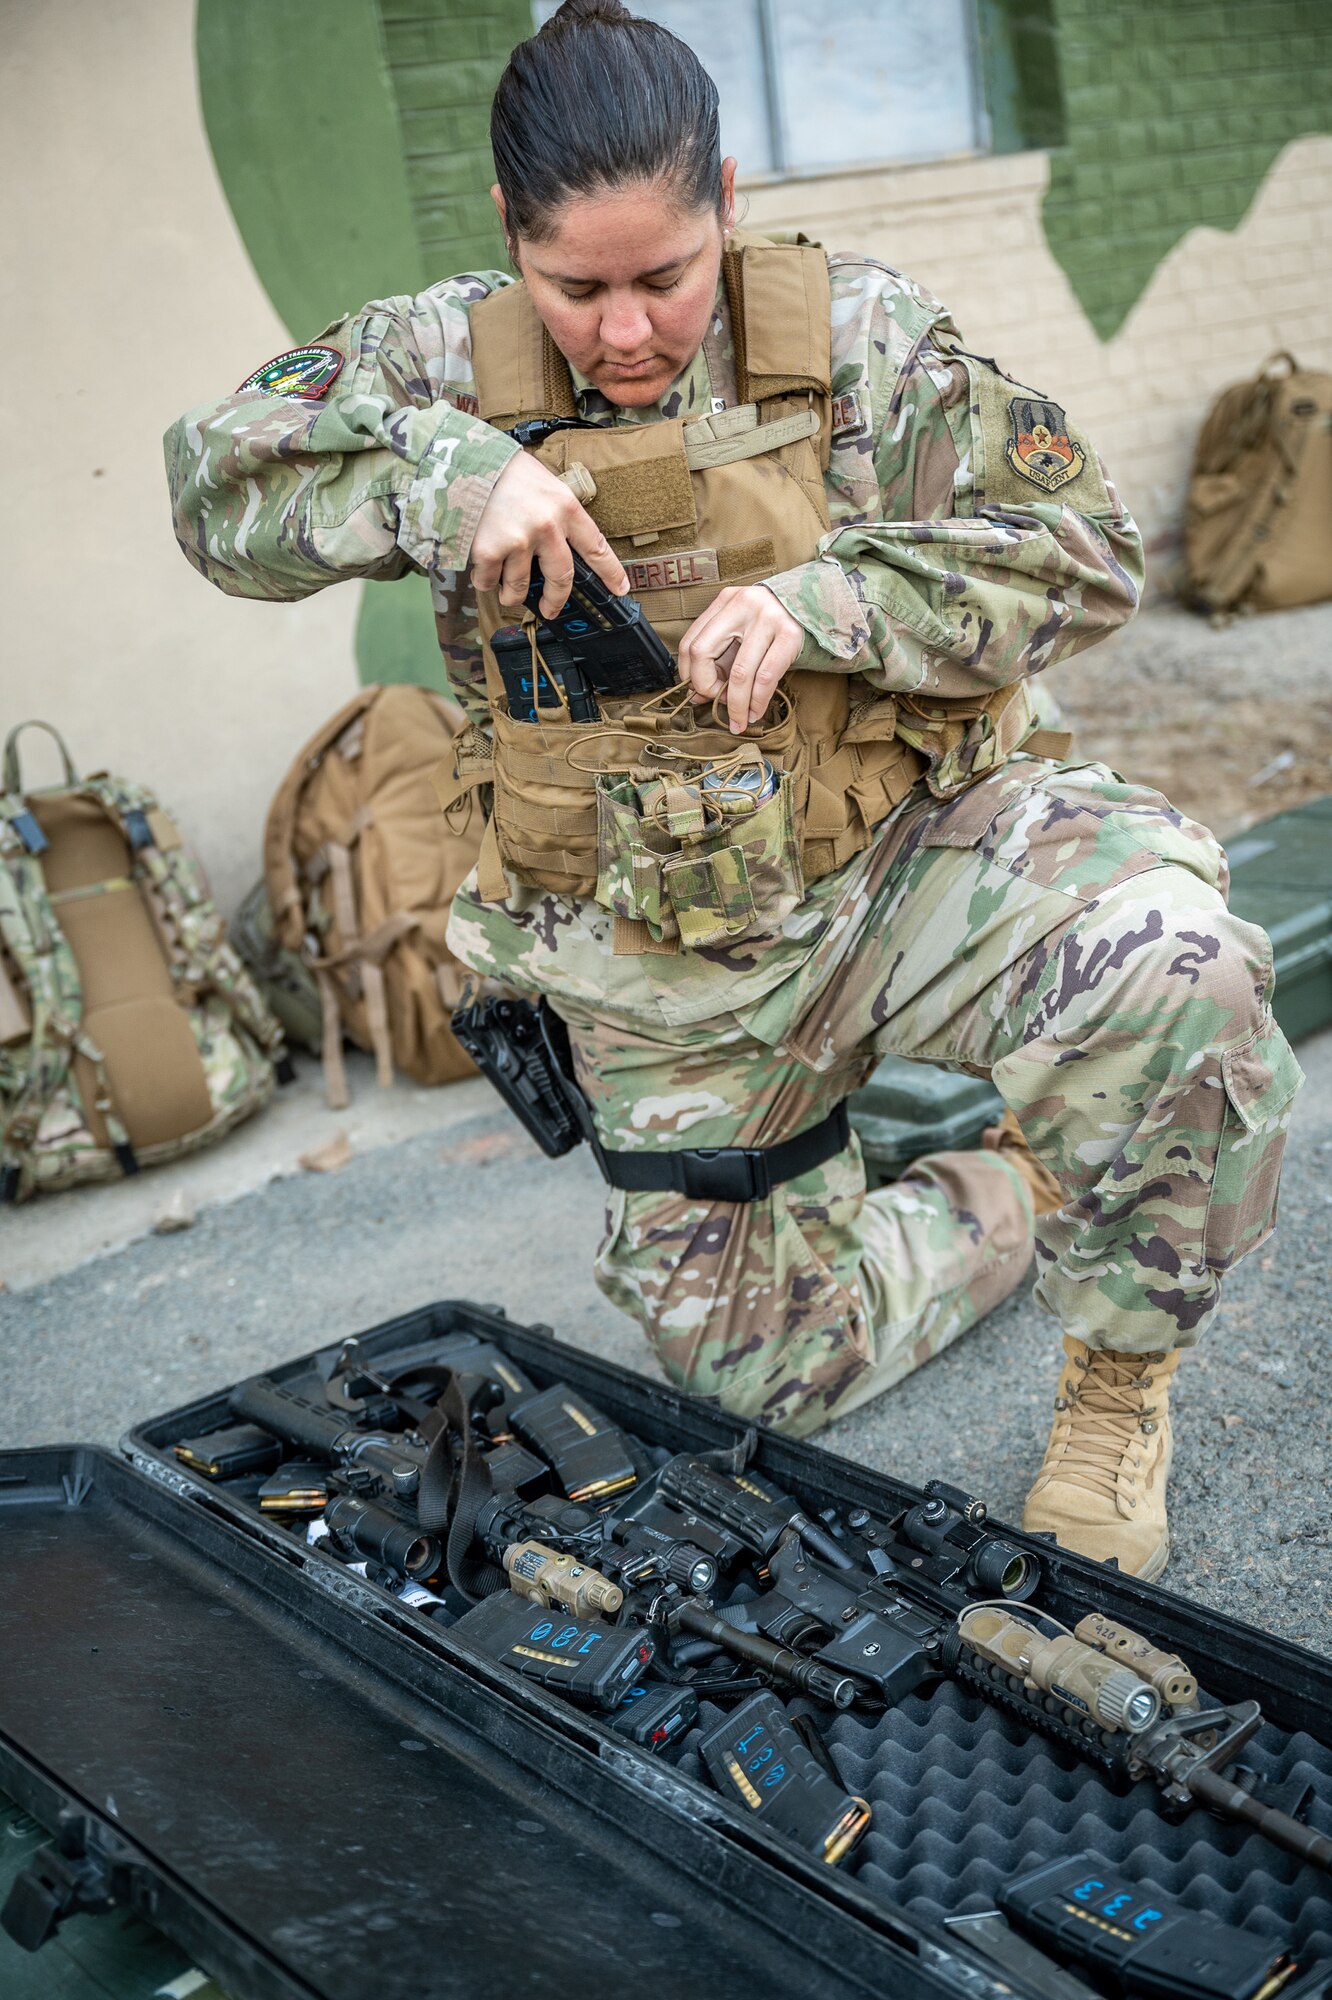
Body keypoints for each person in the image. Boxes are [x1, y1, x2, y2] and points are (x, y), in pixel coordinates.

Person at [165, 0, 1302, 1581]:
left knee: (1178, 969)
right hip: (662, 945)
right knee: (767, 1373)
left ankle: (1118, 1380)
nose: (625, 332)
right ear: (509, 231)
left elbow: (1085, 554)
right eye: (577, 288)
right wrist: (445, 473)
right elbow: (216, 495)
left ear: (730, 203)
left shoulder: (858, 336)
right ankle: (1002, 1197)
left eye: (664, 277)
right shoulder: (437, 359)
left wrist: (838, 600)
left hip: (910, 862)